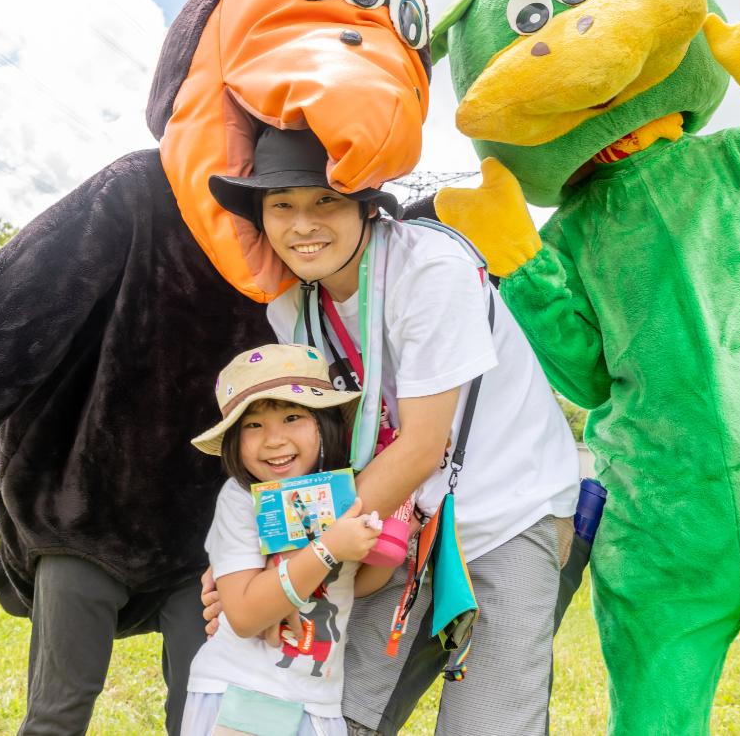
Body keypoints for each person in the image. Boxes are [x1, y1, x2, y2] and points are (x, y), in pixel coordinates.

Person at [207, 126, 582, 735]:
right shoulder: (292, 311)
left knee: (486, 726)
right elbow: (313, 460)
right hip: (386, 527)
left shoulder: (431, 268)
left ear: (365, 205)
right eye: (281, 206)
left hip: (506, 512)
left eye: (324, 200)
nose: (303, 225)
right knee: (327, 717)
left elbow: (420, 447)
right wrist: (247, 567)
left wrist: (296, 560)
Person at [182, 343, 397, 735]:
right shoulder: (240, 499)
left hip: (317, 701)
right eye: (253, 425)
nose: (274, 440)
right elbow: (246, 616)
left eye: (293, 416)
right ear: (233, 441)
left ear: (325, 424)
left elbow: (352, 585)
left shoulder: (340, 494)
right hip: (244, 694)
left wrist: (390, 544)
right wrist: (329, 547)